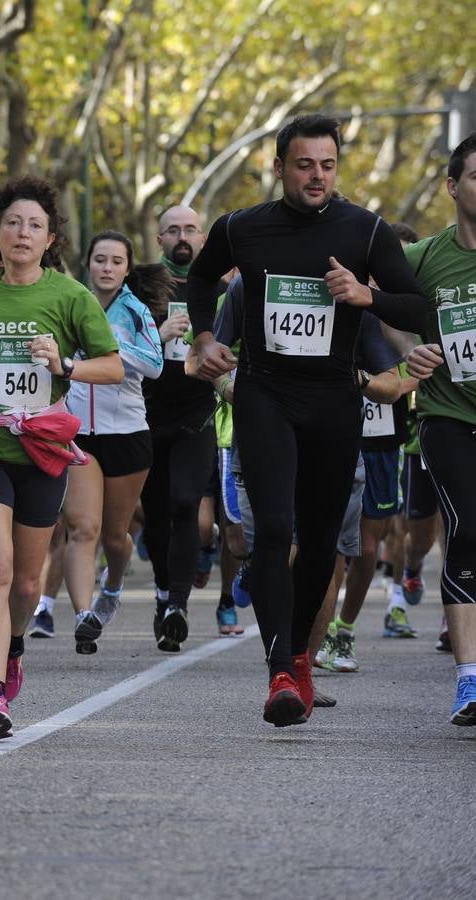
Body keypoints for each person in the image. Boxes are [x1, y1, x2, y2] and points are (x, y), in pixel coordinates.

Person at [188, 116, 427, 726]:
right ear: (279, 167)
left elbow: (419, 306)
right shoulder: (242, 228)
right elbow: (199, 276)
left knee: (321, 543)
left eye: (327, 164)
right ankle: (279, 674)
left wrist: (367, 296)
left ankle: (299, 656)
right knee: (272, 531)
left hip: (333, 400)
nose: (317, 175)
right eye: (304, 164)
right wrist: (207, 334)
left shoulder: (366, 230)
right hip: (265, 394)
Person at [0, 175, 123, 740]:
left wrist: (64, 367)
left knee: (23, 583)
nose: (23, 233)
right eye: (13, 223)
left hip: (41, 451)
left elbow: (111, 366)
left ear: (50, 239)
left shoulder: (69, 297)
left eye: (35, 225)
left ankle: (14, 646)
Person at [401, 132, 476, 725]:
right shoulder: (425, 257)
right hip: (448, 416)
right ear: (453, 186)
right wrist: (410, 352)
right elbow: (371, 304)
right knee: (467, 527)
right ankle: (468, 681)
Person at [65, 231, 165, 653]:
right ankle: (83, 614)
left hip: (126, 432)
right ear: (88, 263)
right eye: (100, 259)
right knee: (81, 528)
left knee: (114, 535)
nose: (107, 268)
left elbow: (155, 366)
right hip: (77, 434)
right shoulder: (70, 302)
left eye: (115, 261)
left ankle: (114, 584)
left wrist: (110, 345)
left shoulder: (135, 310)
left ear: (126, 268)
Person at [138, 203, 218, 653]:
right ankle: (164, 591)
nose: (182, 236)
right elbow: (119, 335)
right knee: (155, 510)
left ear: (203, 237)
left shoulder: (218, 285)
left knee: (186, 501)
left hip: (196, 412)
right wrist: (157, 327)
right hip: (146, 412)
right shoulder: (142, 283)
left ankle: (179, 606)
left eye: (190, 228)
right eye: (173, 230)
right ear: (160, 239)